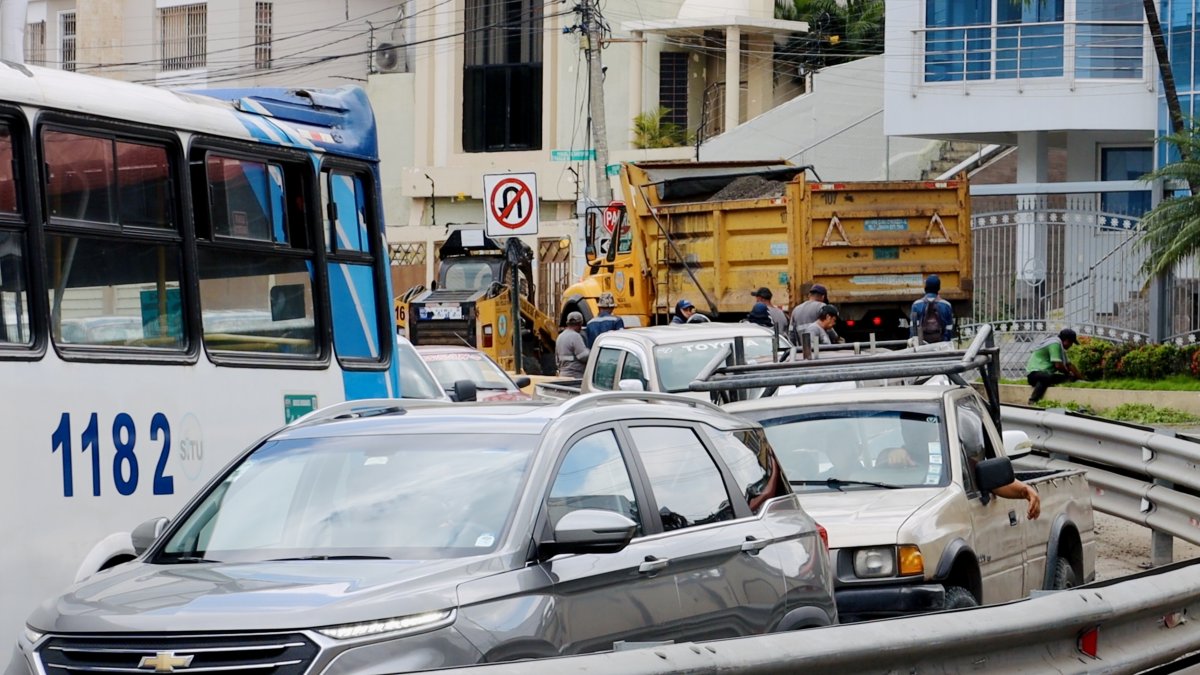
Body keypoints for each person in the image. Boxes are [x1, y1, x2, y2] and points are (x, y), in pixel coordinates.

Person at [875, 446, 1040, 519]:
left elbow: (993, 478)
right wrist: (892, 457)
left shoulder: (954, 455)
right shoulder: (893, 458)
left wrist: (1026, 491)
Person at [1025, 328, 1083, 404]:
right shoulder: (1055, 344)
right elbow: (1058, 365)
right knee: (1046, 377)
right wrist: (1067, 373)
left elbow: (1069, 365)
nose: (1071, 345)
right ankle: (1033, 400)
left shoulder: (1060, 348)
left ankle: (1034, 400)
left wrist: (1081, 378)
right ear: (1066, 340)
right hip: (1034, 374)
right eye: (1071, 343)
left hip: (1046, 375)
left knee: (1069, 379)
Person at [910, 274, 954, 343]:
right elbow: (949, 330)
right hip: (941, 346)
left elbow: (913, 330)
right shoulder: (946, 305)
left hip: (921, 347)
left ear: (925, 287)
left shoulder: (916, 305)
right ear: (938, 288)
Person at [555, 311, 590, 378]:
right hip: (575, 376)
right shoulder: (575, 336)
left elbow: (557, 359)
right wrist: (591, 352)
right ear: (580, 324)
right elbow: (583, 356)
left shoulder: (560, 336)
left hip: (563, 375)